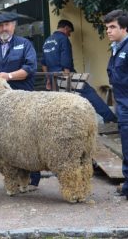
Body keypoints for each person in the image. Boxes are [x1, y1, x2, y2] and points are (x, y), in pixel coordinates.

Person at [0, 12, 38, 189]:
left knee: (29, 137)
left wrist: (8, 76)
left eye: (7, 24)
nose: (4, 28)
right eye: (0, 26)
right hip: (2, 105)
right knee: (9, 141)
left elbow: (30, 69)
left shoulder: (24, 45)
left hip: (24, 100)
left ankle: (34, 179)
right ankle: (15, 178)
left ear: (14, 26)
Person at [41, 19, 117, 123]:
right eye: (69, 32)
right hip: (65, 75)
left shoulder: (47, 41)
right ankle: (110, 118)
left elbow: (44, 63)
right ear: (66, 28)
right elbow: (66, 60)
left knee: (63, 102)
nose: (69, 35)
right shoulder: (63, 39)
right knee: (89, 93)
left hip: (52, 77)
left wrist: (48, 80)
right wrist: (67, 78)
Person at [104, 10, 128, 200]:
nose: (108, 31)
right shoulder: (116, 48)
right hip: (122, 105)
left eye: (113, 27)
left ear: (125, 28)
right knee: (126, 146)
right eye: (107, 27)